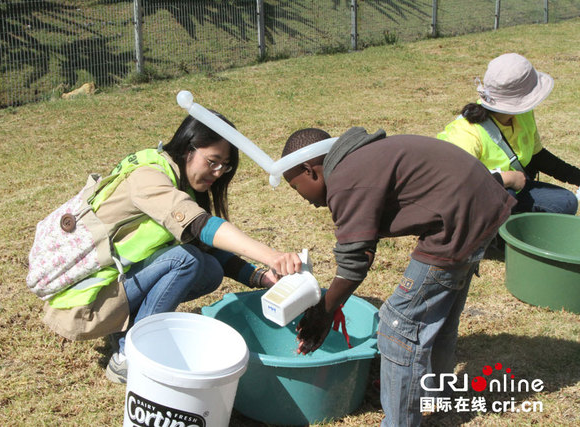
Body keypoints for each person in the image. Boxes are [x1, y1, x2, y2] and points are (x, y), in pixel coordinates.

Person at [280, 126, 516, 426]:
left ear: (309, 170)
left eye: (295, 187)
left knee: (397, 327)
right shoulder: (360, 161)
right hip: (478, 206)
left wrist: (326, 310)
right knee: (437, 320)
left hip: (459, 221)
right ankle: (438, 396)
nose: (301, 197)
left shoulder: (344, 178)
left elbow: (355, 261)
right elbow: (359, 246)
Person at [42, 113, 301, 384]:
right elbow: (202, 226)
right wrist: (272, 256)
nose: (218, 172)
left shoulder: (180, 182)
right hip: (86, 300)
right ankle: (129, 356)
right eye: (213, 162)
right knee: (186, 260)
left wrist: (260, 277)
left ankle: (127, 329)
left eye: (224, 166)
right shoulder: (149, 176)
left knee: (208, 268)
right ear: (188, 148)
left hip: (114, 285)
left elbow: (206, 246)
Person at [438, 52, 580, 215]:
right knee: (505, 195)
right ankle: (497, 237)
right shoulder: (466, 134)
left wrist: (577, 177)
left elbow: (538, 156)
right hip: (474, 203)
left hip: (514, 189)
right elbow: (456, 185)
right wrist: (508, 179)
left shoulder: (522, 114)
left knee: (566, 202)